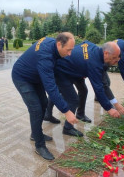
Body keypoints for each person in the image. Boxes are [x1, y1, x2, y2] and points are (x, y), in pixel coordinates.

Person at [12, 32, 78, 161]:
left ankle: (35, 133)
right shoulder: (45, 57)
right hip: (22, 78)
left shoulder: (52, 43)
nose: (70, 53)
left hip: (35, 77)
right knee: (36, 109)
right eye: (68, 50)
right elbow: (51, 88)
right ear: (59, 44)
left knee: (43, 103)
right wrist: (66, 111)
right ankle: (39, 145)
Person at [48, 41, 123, 137]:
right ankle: (68, 128)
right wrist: (109, 108)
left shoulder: (94, 47)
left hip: (73, 69)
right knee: (73, 99)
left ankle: (76, 114)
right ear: (106, 53)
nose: (115, 62)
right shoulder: (94, 63)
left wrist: (80, 64)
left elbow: (83, 43)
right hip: (62, 71)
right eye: (113, 58)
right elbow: (98, 89)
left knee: (82, 90)